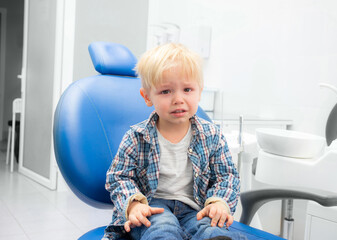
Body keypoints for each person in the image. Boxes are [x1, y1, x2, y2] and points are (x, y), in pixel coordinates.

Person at [103, 43, 245, 240]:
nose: (178, 99)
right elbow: (118, 177)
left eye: (187, 89)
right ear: (147, 96)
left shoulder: (211, 135)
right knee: (162, 229)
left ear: (200, 92)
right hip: (152, 207)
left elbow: (227, 176)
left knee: (210, 229)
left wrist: (219, 202)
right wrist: (134, 204)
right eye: (166, 92)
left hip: (194, 209)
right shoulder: (136, 137)